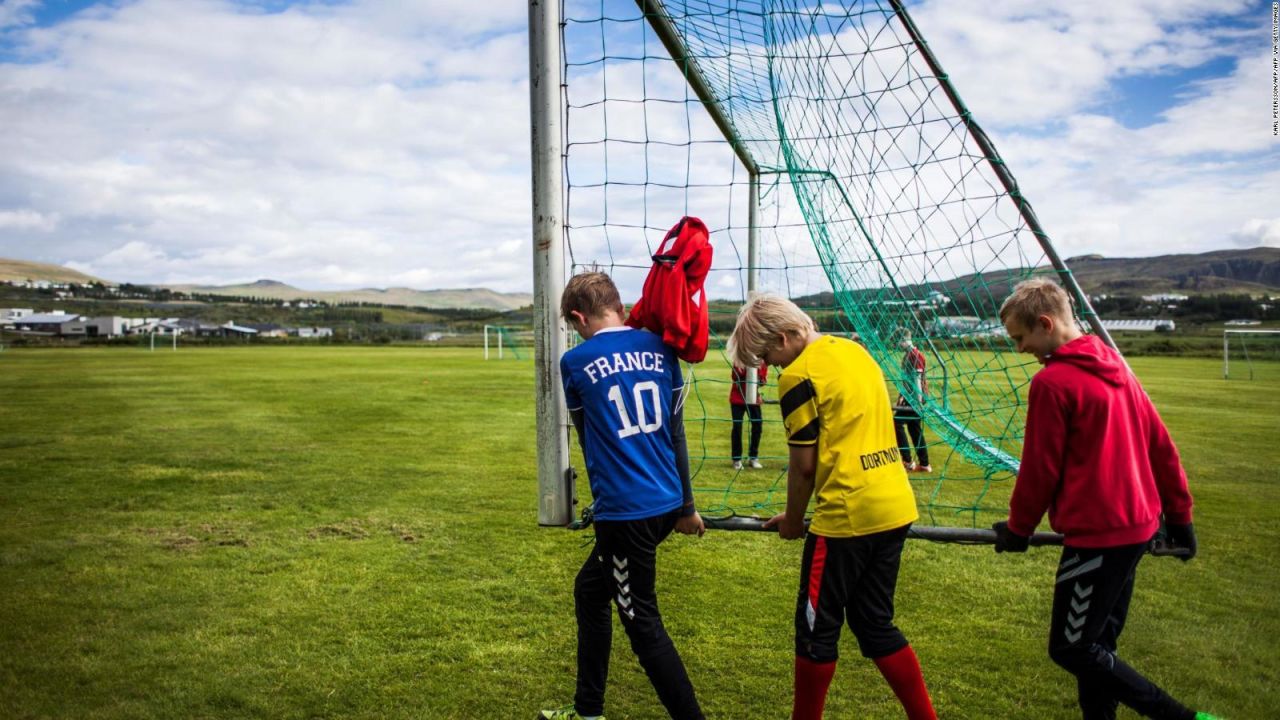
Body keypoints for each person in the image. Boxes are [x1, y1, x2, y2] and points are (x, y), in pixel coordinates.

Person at [992, 278, 1220, 720]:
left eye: (1020, 338)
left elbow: (1039, 471)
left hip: (1100, 538)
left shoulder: (1052, 383)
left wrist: (1019, 530)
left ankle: (1183, 718)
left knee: (1072, 647)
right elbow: (1162, 445)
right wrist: (1180, 518)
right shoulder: (1116, 363)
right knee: (1099, 646)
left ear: (1045, 323)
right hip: (1139, 528)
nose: (1019, 349)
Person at [727, 294, 937, 720]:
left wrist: (792, 519)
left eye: (769, 355)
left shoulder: (798, 376)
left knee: (815, 632)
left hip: (847, 516)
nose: (773, 366)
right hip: (895, 504)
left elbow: (803, 467)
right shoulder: (855, 351)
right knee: (875, 623)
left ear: (786, 337)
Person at [542, 272, 706, 720]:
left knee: (642, 622)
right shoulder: (660, 347)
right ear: (619, 303)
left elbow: (584, 432)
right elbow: (676, 433)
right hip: (667, 502)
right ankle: (587, 709)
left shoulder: (575, 362)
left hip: (627, 515)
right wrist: (687, 507)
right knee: (590, 593)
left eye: (574, 324)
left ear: (578, 316)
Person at [893, 331, 931, 473]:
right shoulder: (908, 355)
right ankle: (924, 464)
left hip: (914, 399)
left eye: (898, 342)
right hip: (909, 398)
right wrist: (901, 397)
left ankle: (908, 461)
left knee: (896, 423)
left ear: (904, 340)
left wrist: (919, 401)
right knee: (914, 430)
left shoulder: (915, 355)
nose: (897, 345)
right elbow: (907, 381)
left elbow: (917, 380)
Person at [729, 363, 769, 470]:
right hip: (737, 398)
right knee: (737, 427)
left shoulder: (761, 361)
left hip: (753, 398)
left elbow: (763, 380)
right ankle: (737, 459)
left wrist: (760, 380)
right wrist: (744, 367)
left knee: (757, 425)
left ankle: (753, 457)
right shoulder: (740, 358)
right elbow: (735, 375)